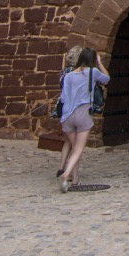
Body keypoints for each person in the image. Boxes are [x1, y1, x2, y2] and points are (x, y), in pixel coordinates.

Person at [58, 46, 109, 192]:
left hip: (67, 114)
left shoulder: (68, 76)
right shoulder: (92, 72)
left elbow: (63, 98)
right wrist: (99, 64)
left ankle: (75, 179)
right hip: (83, 112)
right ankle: (67, 173)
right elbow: (106, 79)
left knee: (75, 148)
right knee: (79, 148)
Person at [57, 44, 83, 178]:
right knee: (76, 144)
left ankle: (62, 166)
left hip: (63, 108)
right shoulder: (79, 73)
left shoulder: (63, 73)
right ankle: (71, 172)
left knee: (67, 139)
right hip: (75, 109)